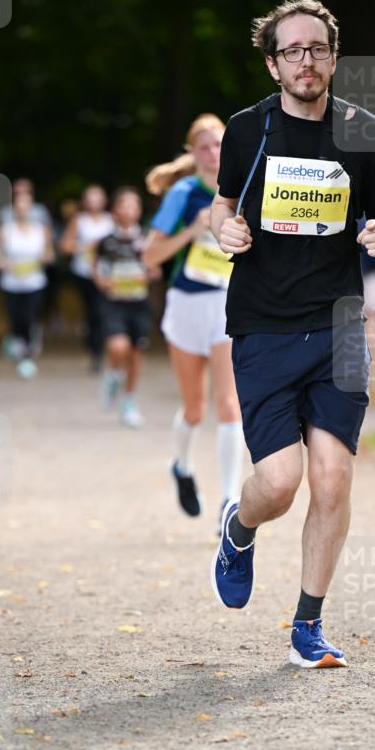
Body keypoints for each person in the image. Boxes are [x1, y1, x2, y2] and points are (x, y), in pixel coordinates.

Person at [210, 0, 375, 668]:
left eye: (317, 48)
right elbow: (220, 203)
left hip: (338, 324)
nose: (306, 60)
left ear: (332, 56)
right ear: (273, 64)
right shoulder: (248, 131)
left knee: (332, 482)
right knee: (280, 482)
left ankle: (307, 626)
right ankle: (238, 529)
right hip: (264, 324)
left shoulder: (361, 131)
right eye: (292, 50)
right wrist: (223, 228)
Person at [143, 114, 244, 529]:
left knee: (229, 404)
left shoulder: (244, 186)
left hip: (225, 303)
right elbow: (150, 256)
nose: (211, 152)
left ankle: (229, 500)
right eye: (203, 146)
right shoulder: (183, 193)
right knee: (194, 408)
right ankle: (181, 466)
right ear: (192, 152)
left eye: (218, 144)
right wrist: (194, 229)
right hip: (186, 303)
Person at [94, 187, 152, 428]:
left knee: (136, 354)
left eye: (134, 205)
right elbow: (96, 268)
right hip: (114, 302)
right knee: (119, 346)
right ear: (115, 209)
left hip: (139, 304)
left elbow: (156, 268)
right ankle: (113, 374)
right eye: (125, 205)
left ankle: (128, 400)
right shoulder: (106, 241)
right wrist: (103, 281)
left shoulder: (147, 239)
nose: (129, 209)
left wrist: (148, 274)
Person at [0, 186, 54, 379]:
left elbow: (50, 254)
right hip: (11, 283)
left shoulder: (41, 230)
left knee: (29, 318)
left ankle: (27, 355)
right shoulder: (5, 230)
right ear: (14, 209)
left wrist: (44, 258)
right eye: (19, 206)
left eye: (27, 205)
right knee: (16, 320)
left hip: (35, 282)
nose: (23, 209)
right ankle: (21, 345)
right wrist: (3, 264)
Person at [60, 185, 114, 371]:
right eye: (90, 198)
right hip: (84, 273)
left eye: (97, 198)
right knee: (91, 311)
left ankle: (98, 351)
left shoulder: (110, 220)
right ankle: (93, 343)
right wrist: (85, 247)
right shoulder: (79, 220)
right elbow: (66, 245)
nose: (94, 202)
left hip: (106, 273)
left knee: (101, 311)